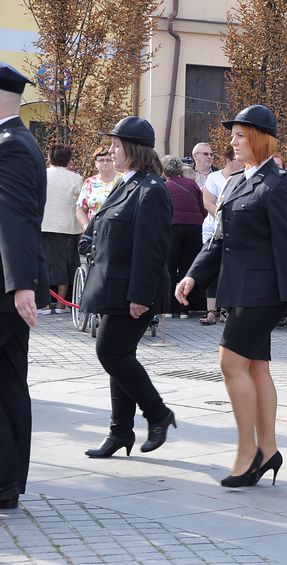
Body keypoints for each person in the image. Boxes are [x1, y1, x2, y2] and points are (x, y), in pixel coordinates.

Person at [176, 105, 287, 487]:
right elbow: (219, 239)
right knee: (255, 367)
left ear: (259, 139)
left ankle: (248, 453)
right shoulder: (234, 182)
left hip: (264, 293)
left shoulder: (280, 184)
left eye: (239, 135)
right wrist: (193, 276)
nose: (232, 142)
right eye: (232, 135)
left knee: (229, 362)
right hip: (240, 289)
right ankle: (268, 450)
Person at [80, 116, 176, 458]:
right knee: (119, 357)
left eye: (116, 146)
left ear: (133, 149)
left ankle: (158, 413)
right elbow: (101, 222)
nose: (111, 150)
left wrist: (140, 296)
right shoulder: (127, 183)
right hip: (114, 287)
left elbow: (151, 249)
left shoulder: (151, 190)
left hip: (133, 292)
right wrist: (88, 243)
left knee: (111, 353)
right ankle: (121, 432)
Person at [0, 62, 49, 510]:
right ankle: (7, 483)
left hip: (4, 286)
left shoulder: (11, 146)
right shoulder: (19, 142)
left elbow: (15, 219)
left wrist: (20, 286)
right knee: (10, 380)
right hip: (12, 284)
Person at [199, 145, 242, 326]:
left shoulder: (243, 178)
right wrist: (225, 217)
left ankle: (225, 309)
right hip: (213, 229)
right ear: (229, 160)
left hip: (235, 231)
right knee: (213, 269)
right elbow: (208, 203)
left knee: (230, 269)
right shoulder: (214, 177)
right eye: (237, 159)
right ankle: (211, 311)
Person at [162, 155, 206, 319]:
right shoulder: (192, 184)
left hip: (173, 226)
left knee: (170, 266)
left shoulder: (164, 186)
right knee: (187, 266)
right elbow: (202, 208)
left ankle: (167, 308)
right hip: (194, 226)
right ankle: (184, 309)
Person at [41, 144, 83, 313]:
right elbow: (80, 203)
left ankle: (44, 304)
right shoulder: (76, 178)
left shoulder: (41, 174)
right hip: (68, 227)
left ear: (49, 157)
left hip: (43, 225)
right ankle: (61, 304)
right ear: (68, 160)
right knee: (65, 264)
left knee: (43, 264)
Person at [76, 147, 122, 231]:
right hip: (94, 231)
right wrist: (86, 226)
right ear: (96, 163)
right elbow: (80, 209)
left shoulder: (123, 180)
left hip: (118, 229)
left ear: (113, 161)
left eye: (108, 160)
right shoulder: (89, 182)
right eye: (101, 160)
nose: (105, 163)